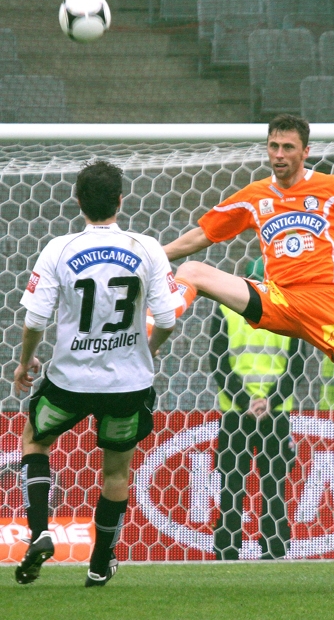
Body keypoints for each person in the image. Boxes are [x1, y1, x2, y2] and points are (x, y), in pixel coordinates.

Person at [13, 160, 177, 587]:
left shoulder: (59, 249)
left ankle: (40, 532)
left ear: (78, 201)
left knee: (35, 439)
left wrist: (26, 361)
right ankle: (100, 564)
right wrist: (149, 349)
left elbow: (34, 321)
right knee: (116, 473)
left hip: (69, 380)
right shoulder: (147, 247)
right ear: (121, 200)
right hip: (127, 385)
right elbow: (168, 318)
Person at [164, 114, 334, 365]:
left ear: (305, 152)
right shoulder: (255, 195)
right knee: (191, 271)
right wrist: (153, 254)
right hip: (278, 300)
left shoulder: (333, 188)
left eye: (288, 147)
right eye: (274, 146)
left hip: (326, 301)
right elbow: (204, 234)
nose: (279, 154)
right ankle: (153, 331)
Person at [210, 256, 304, 560]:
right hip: (273, 415)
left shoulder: (227, 307)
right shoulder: (290, 311)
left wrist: (245, 401)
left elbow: (218, 362)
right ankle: (275, 549)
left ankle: (227, 549)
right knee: (273, 483)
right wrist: (270, 401)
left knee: (232, 483)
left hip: (237, 414)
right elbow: (296, 367)